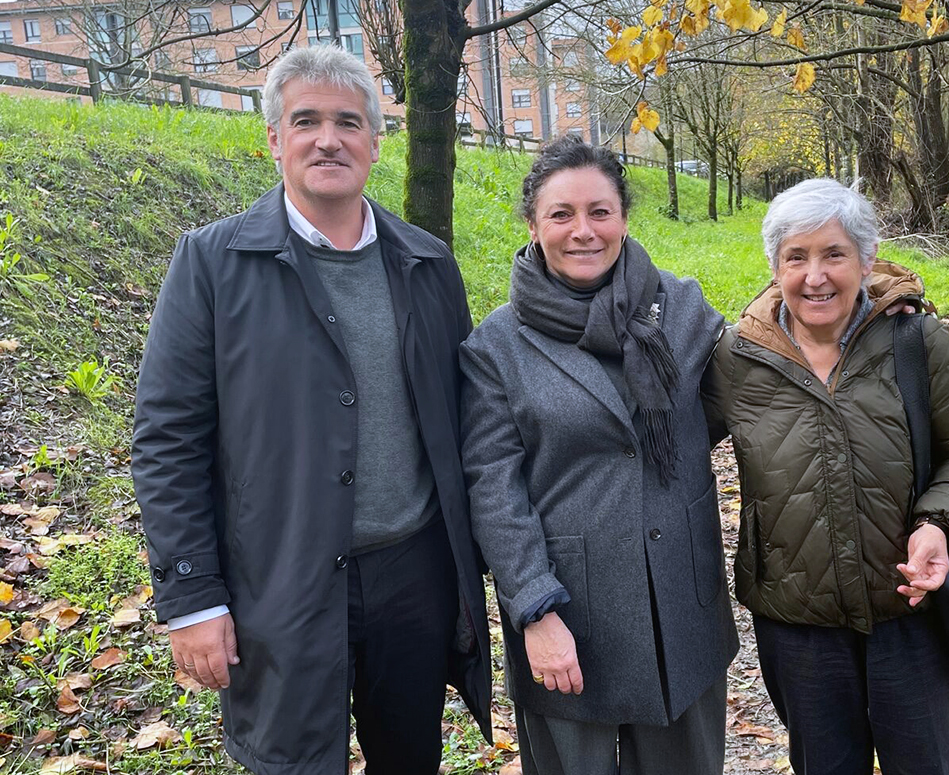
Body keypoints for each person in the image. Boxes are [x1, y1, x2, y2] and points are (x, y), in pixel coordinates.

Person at [131, 45, 490, 775]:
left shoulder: (428, 264)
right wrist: (193, 596)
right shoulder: (213, 264)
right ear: (274, 139)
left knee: (411, 758)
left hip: (413, 574)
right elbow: (168, 439)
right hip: (281, 578)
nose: (329, 139)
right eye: (306, 121)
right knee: (294, 762)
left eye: (348, 122)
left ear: (375, 142)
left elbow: (466, 421)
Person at [703, 178, 949, 775]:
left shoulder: (914, 341)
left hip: (909, 613)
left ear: (866, 260)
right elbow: (666, 447)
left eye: (834, 254)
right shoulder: (736, 359)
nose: (815, 276)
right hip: (797, 624)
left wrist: (938, 524)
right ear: (775, 266)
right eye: (796, 256)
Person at [459, 136, 739, 775]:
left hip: (680, 603)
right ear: (533, 225)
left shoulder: (683, 310)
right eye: (561, 214)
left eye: (600, 211)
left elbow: (752, 381)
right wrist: (535, 610)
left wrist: (869, 303)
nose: (583, 231)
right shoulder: (497, 347)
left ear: (624, 218)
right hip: (570, 615)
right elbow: (493, 489)